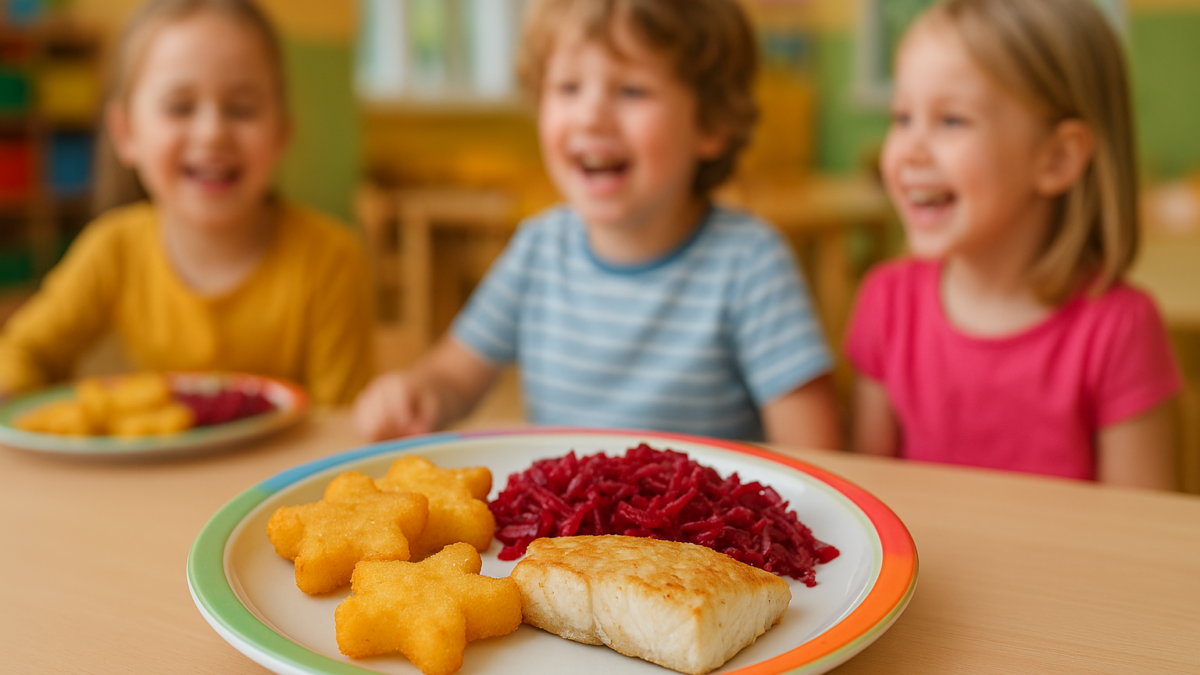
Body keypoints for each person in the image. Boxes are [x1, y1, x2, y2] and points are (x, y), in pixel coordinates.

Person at [355, 0, 840, 447]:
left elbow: (814, 451)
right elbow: (456, 374)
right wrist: (419, 390)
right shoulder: (538, 249)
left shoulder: (749, 263)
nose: (590, 116)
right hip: (567, 536)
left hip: (699, 536)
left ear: (711, 123)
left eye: (631, 90)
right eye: (568, 87)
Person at [847, 0, 1182, 488]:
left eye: (952, 120)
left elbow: (1143, 540)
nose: (908, 151)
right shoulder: (886, 301)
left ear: (1057, 158)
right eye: (901, 117)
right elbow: (868, 509)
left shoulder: (1121, 330)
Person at [0, 0, 374, 406]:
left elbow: (342, 428)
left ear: (281, 133)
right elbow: (20, 353)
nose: (212, 133)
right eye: (180, 107)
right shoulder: (113, 250)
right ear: (126, 133)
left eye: (242, 108)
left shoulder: (331, 259)